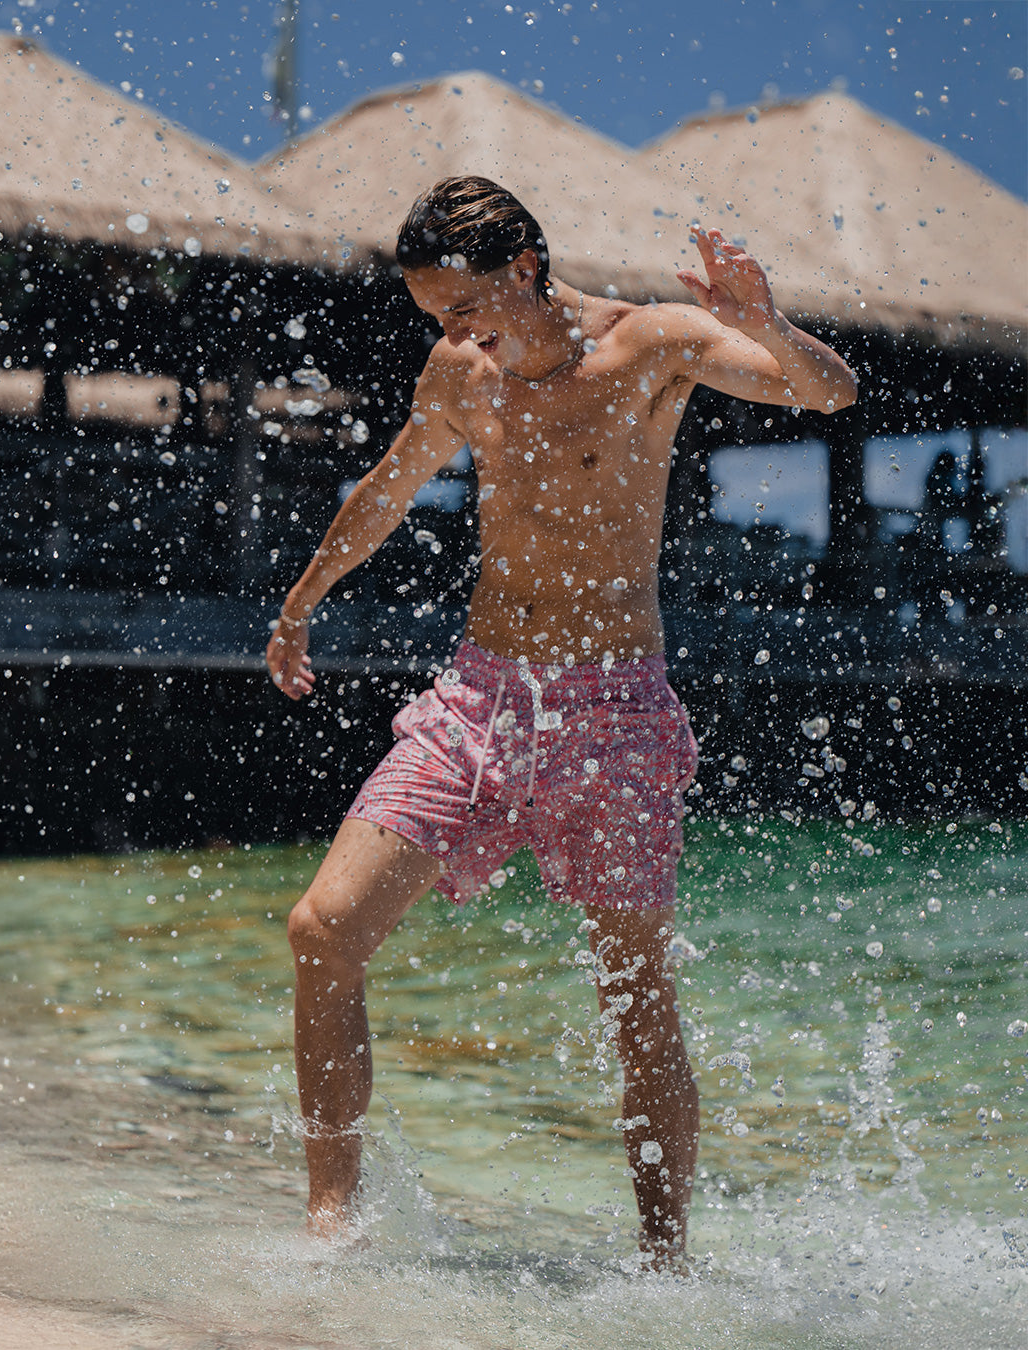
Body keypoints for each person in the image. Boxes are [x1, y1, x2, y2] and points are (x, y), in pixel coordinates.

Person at [266, 175, 857, 1268]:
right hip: (483, 698)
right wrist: (303, 600)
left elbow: (825, 393)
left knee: (632, 991)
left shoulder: (653, 345)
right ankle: (329, 1231)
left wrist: (763, 318)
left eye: (462, 309)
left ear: (526, 271)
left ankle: (666, 1268)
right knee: (322, 931)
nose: (451, 336)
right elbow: (389, 488)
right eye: (434, 318)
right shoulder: (460, 372)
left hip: (615, 710)